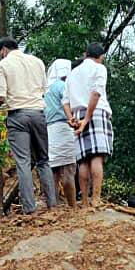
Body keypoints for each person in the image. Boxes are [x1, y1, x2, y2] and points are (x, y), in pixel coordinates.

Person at [0, 38, 55, 214]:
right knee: (44, 160)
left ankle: (30, 208)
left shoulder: (2, 66)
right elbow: (43, 89)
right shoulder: (37, 62)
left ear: (3, 50)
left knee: (23, 162)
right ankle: (52, 204)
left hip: (18, 116)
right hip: (38, 113)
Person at [66, 43, 113, 208]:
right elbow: (96, 93)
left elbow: (65, 101)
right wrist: (87, 118)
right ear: (100, 57)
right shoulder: (99, 69)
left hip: (77, 114)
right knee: (96, 157)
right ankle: (96, 199)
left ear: (86, 54)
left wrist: (72, 118)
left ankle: (85, 202)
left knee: (83, 160)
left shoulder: (73, 73)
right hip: (96, 112)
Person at [43, 58, 78, 208]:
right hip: (64, 128)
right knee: (68, 170)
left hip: (49, 131)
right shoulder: (63, 86)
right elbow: (69, 105)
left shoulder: (46, 90)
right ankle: (73, 206)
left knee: (53, 170)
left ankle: (53, 205)